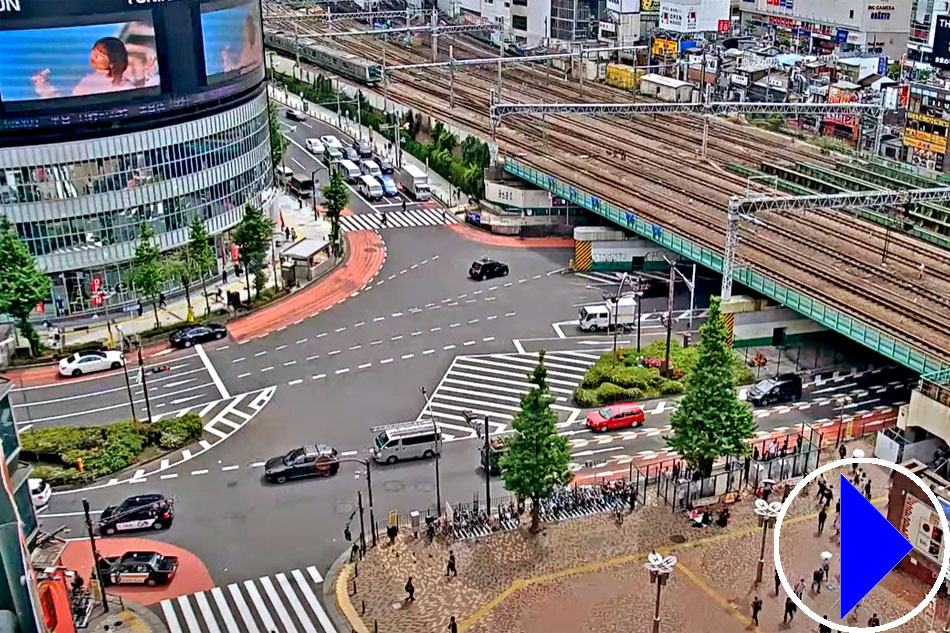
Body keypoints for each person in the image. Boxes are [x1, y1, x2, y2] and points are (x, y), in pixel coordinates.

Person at [33, 37, 149, 99]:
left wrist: (149, 78)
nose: (93, 56)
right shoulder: (88, 78)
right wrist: (41, 84)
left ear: (112, 62)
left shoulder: (121, 86)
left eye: (100, 55)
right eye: (94, 51)